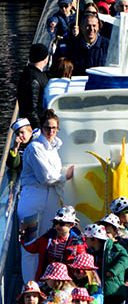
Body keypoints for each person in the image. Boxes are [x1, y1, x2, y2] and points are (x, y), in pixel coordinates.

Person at [17, 109, 74, 278]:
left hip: (49, 199)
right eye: (47, 128)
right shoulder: (35, 147)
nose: (51, 132)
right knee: (29, 245)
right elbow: (45, 177)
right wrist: (66, 177)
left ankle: (43, 284)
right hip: (32, 200)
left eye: (54, 128)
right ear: (41, 128)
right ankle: (29, 286)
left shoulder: (53, 148)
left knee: (47, 244)